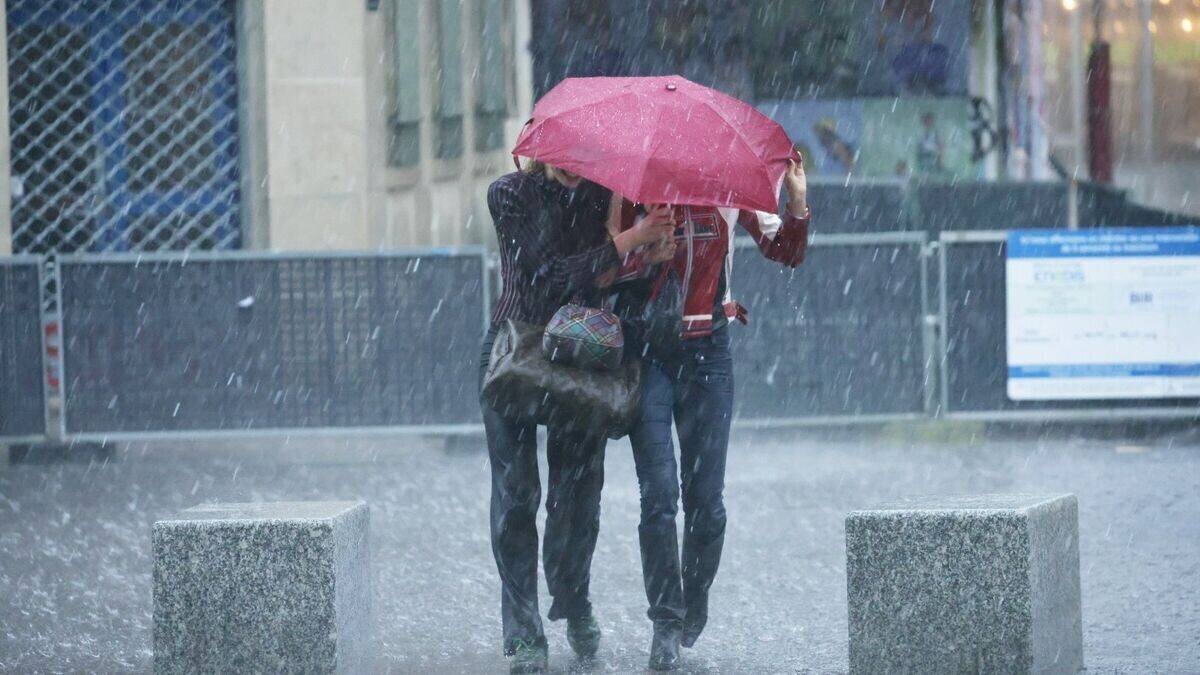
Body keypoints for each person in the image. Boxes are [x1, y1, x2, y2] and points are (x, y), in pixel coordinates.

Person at [611, 158, 810, 671]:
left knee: (708, 505)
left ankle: (692, 602)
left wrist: (796, 199)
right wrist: (646, 245)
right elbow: (604, 265)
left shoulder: (729, 183)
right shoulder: (632, 185)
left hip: (707, 357)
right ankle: (665, 621)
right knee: (658, 497)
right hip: (648, 353)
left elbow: (786, 250)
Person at [481, 160, 675, 674]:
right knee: (517, 494)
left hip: (579, 356)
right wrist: (630, 239)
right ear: (539, 148)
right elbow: (546, 277)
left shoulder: (601, 195)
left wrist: (649, 258)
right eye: (559, 155)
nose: (570, 166)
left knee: (577, 496)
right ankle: (524, 634)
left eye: (579, 155)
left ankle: (574, 603)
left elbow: (604, 280)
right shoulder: (508, 195)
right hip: (516, 353)